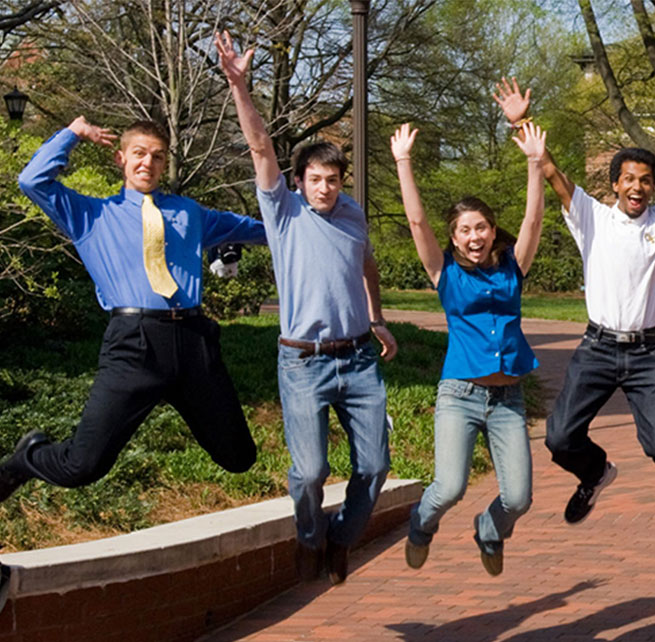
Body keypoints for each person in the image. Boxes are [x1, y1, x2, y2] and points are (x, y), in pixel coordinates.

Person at [1, 115, 268, 608]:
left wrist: (307, 213)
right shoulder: (90, 215)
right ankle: (25, 458)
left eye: (158, 155)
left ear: (165, 163)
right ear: (121, 159)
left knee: (240, 458)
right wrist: (73, 135)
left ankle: (186, 404)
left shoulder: (190, 213)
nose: (148, 162)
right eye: (139, 153)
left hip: (192, 343)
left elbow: (263, 228)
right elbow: (31, 180)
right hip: (133, 344)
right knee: (83, 466)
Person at [491, 76, 655, 534]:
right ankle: (594, 474)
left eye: (646, 181)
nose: (638, 187)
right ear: (615, 184)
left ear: (653, 188)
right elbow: (550, 171)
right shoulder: (591, 216)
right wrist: (521, 122)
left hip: (648, 353)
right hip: (597, 348)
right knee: (559, 437)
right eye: (629, 179)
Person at [218, 32, 397, 585]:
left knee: (376, 466)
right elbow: (260, 149)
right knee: (312, 471)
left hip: (359, 359)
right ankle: (309, 535)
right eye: (315, 180)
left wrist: (377, 315)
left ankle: (340, 539)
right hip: (302, 362)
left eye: (332, 180)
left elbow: (365, 264)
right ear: (298, 183)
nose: (324, 188)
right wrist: (239, 86)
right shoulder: (284, 212)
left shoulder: (353, 214)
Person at [389, 121, 547, 576]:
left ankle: (490, 529)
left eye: (482, 228)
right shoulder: (446, 275)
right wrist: (404, 162)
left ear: (493, 231)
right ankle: (420, 526)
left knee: (518, 497)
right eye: (465, 230)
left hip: (508, 399)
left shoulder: (513, 268)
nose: (474, 237)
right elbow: (417, 221)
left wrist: (535, 163)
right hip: (459, 396)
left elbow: (533, 219)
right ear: (454, 238)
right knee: (450, 486)